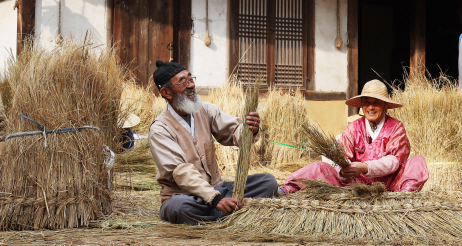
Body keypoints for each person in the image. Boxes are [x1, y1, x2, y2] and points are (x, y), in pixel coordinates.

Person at [148, 60, 278, 225]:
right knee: (177, 207)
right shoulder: (160, 129)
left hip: (219, 190)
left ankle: (222, 213)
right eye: (183, 82)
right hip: (186, 196)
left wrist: (249, 130)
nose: (191, 85)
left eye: (191, 79)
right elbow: (180, 172)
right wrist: (214, 199)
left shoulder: (205, 110)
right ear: (167, 93)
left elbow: (232, 131)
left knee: (267, 182)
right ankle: (233, 212)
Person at [278, 80, 429, 195]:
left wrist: (365, 167)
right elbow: (343, 156)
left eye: (376, 103)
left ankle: (405, 197)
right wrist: (344, 170)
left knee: (418, 161)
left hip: (390, 185)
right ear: (362, 105)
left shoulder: (396, 127)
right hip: (354, 184)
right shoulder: (353, 128)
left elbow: (394, 161)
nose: (371, 107)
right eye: (367, 103)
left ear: (385, 105)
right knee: (320, 168)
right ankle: (286, 190)